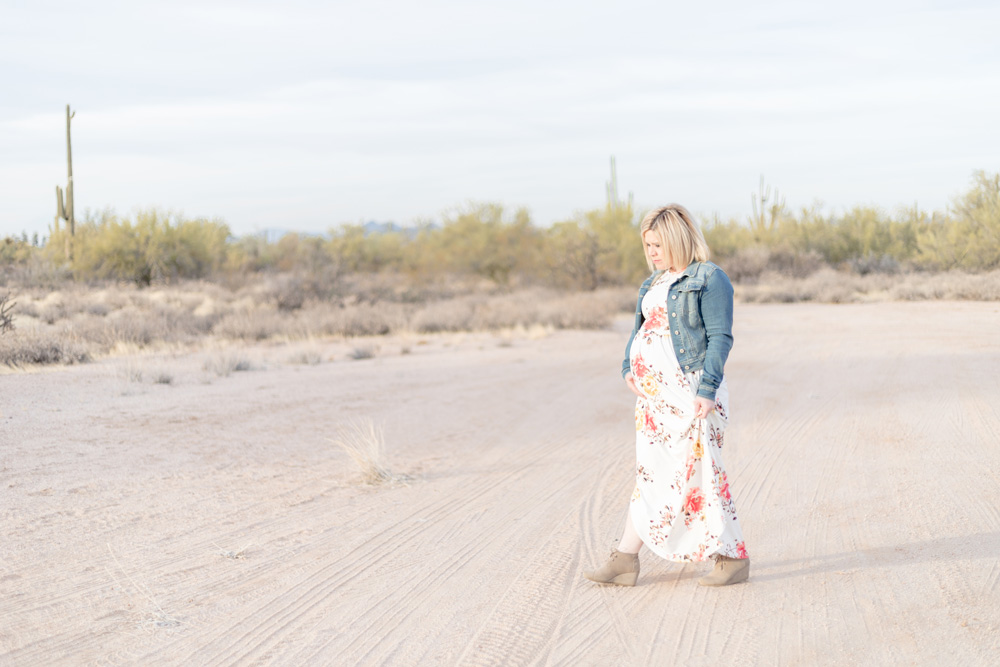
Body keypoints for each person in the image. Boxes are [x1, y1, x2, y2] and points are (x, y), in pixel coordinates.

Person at [584, 204, 749, 587]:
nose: (652, 252)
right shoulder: (653, 283)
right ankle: (625, 558)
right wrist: (629, 366)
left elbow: (720, 337)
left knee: (703, 474)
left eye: (658, 243)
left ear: (677, 239)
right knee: (651, 475)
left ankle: (732, 556)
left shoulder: (710, 278)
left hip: (692, 394)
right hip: (655, 401)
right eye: (648, 245)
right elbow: (640, 331)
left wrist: (707, 391)